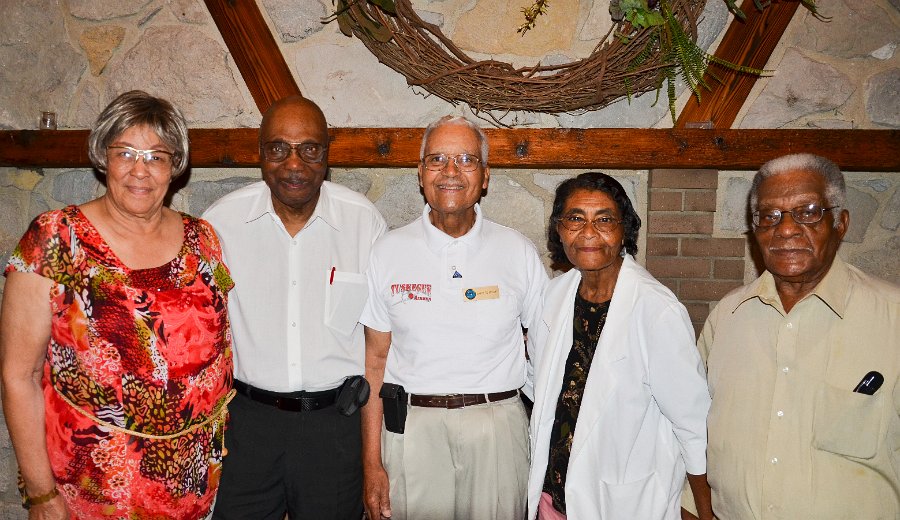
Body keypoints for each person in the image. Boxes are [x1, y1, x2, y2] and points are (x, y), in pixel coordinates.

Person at [0, 90, 234, 519]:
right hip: (91, 490)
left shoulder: (203, 240)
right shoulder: (54, 239)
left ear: (175, 166)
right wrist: (40, 495)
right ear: (102, 157)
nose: (139, 170)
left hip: (193, 483)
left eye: (156, 156)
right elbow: (19, 375)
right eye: (125, 152)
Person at [202, 95, 387, 520]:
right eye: (278, 149)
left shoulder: (363, 223)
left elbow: (380, 345)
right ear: (260, 153)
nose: (293, 164)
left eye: (309, 149)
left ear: (327, 154)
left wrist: (373, 457)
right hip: (247, 427)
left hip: (334, 427)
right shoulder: (222, 223)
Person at [359, 115, 548, 520]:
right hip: (412, 431)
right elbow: (375, 361)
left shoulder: (517, 252)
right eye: (437, 159)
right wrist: (371, 463)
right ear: (420, 172)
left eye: (465, 159)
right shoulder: (387, 252)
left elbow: (546, 349)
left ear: (485, 176)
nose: (450, 171)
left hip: (496, 428)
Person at [696, 153, 900, 518]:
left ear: (841, 223)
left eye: (808, 212)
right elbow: (695, 431)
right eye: (769, 216)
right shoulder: (727, 318)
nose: (786, 229)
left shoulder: (893, 319)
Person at [525, 172, 712, 520]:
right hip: (554, 498)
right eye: (576, 219)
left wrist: (704, 510)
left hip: (624, 501)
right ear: (559, 230)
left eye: (604, 220)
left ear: (624, 230)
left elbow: (692, 423)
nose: (588, 232)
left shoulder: (656, 310)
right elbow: (542, 384)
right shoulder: (554, 295)